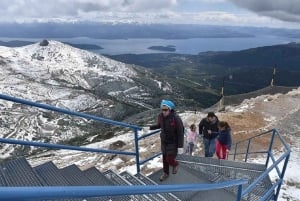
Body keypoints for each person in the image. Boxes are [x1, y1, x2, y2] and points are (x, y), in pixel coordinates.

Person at [149, 100, 184, 181]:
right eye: (162, 109)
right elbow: (159, 125)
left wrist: (180, 146)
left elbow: (180, 133)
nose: (164, 111)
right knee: (165, 159)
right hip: (164, 142)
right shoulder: (160, 116)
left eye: (166, 110)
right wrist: (149, 128)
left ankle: (175, 164)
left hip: (173, 142)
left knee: (169, 159)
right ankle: (166, 173)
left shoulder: (176, 118)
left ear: (170, 109)